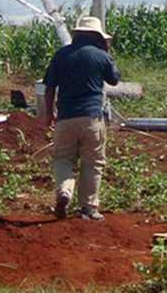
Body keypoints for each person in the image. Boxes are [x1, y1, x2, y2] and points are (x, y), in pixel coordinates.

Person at [42, 16, 120, 221]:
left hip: (65, 118)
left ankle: (64, 191)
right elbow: (114, 79)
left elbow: (49, 87)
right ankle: (88, 208)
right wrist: (106, 52)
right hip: (92, 117)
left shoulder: (61, 55)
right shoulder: (101, 56)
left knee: (63, 158)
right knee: (92, 162)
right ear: (98, 36)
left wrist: (49, 113)